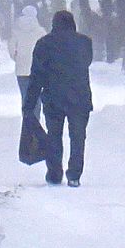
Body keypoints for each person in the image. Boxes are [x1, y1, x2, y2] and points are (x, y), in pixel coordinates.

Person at [25, 9, 93, 185]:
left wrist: (29, 104)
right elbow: (86, 62)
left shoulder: (44, 44)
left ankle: (55, 172)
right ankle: (74, 175)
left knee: (54, 135)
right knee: (78, 136)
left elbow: (36, 76)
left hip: (53, 97)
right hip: (79, 97)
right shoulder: (85, 43)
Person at [11, 4, 42, 105]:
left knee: (25, 96)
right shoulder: (40, 31)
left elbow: (11, 47)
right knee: (36, 97)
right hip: (37, 69)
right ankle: (36, 118)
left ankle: (26, 118)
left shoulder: (16, 31)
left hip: (21, 69)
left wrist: (17, 58)